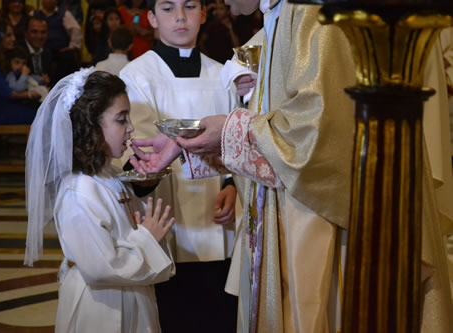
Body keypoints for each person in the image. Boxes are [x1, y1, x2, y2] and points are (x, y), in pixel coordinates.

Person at [132, 0, 453, 332]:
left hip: (325, 217)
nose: (220, 2)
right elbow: (278, 122)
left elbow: (316, 134)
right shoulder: (282, 13)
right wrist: (191, 140)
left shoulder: (309, 9)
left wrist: (226, 132)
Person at [118, 0, 239, 331]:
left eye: (189, 6)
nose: (181, 17)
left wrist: (232, 186)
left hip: (220, 221)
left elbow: (236, 138)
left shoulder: (223, 73)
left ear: (203, 14)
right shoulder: (137, 75)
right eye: (168, 8)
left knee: (220, 314)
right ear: (152, 18)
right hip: (169, 219)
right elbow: (138, 150)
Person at [25, 69, 175, 332]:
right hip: (101, 305)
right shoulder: (78, 191)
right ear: (91, 126)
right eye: (121, 119)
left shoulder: (109, 174)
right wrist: (147, 238)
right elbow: (102, 267)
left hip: (129, 293)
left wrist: (145, 231)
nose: (131, 128)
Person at [0, 21, 39, 125]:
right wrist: (30, 94)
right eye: (8, 35)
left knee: (41, 110)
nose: (14, 39)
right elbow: (8, 93)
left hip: (7, 106)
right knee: (41, 115)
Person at [33, 0, 82, 82]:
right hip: (39, 52)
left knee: (68, 56)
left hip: (59, 54)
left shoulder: (64, 14)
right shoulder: (34, 14)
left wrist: (71, 46)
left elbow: (76, 30)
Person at [21, 16, 53, 87]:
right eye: (34, 32)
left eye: (43, 32)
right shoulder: (18, 52)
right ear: (26, 33)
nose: (39, 36)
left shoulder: (47, 52)